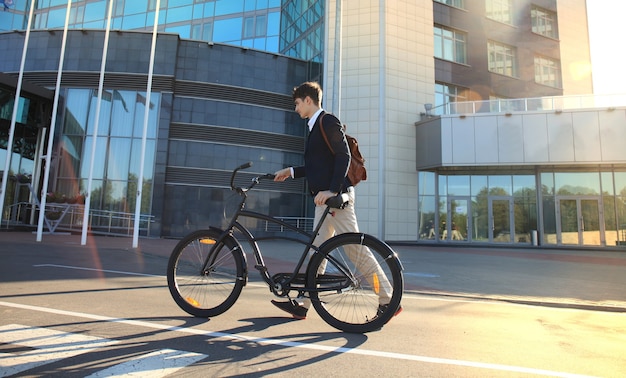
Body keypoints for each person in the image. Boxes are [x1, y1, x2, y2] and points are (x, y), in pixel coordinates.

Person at [271, 81, 402, 321]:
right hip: (325, 203)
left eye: (297, 104)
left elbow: (344, 155)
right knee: (317, 252)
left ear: (308, 101)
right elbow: (317, 166)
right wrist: (291, 171)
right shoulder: (314, 127)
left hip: (336, 201)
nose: (296, 109)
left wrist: (332, 190)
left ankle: (388, 300)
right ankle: (303, 303)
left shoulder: (327, 121)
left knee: (356, 251)